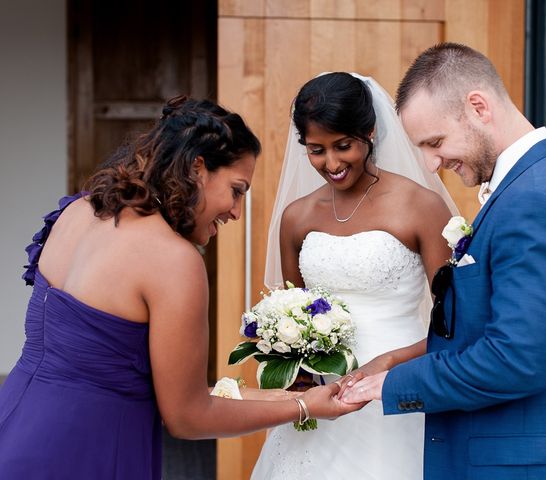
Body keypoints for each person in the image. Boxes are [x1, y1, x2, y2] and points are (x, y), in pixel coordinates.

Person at [0, 95, 364, 479]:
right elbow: (188, 417)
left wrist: (277, 395)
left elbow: (109, 367)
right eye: (237, 190)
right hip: (89, 447)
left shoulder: (79, 210)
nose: (237, 212)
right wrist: (305, 408)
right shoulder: (173, 259)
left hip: (17, 426)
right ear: (198, 169)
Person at [342, 43, 546, 479]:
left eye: (435, 142)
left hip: (537, 464)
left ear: (478, 106)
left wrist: (394, 385)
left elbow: (515, 360)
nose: (431, 162)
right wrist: (398, 360)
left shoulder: (535, 200)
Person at [251, 72, 457, 479]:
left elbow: (454, 320)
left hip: (398, 389)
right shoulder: (297, 217)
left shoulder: (420, 206)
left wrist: (392, 362)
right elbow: (293, 308)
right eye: (316, 150)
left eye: (343, 146)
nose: (331, 163)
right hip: (325, 398)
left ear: (370, 132)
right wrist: (296, 371)